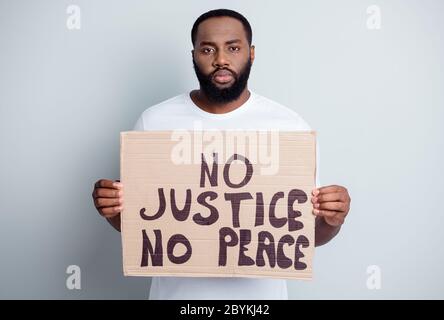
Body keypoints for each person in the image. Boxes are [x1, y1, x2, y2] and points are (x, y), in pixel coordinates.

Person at [91, 9, 351, 300]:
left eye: (233, 47)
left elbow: (304, 235)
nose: (221, 59)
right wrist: (111, 208)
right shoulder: (154, 122)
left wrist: (332, 219)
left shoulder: (290, 128)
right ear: (194, 56)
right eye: (207, 49)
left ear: (251, 54)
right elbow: (141, 226)